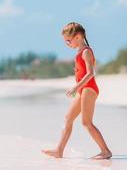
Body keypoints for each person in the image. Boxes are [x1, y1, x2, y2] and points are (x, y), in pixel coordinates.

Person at [41, 22, 112, 160]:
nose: (67, 44)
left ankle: (105, 151)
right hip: (83, 89)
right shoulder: (79, 52)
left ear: (78, 37)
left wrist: (76, 87)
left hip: (89, 89)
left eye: (68, 40)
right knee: (68, 118)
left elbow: (91, 73)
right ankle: (59, 150)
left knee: (86, 123)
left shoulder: (86, 51)